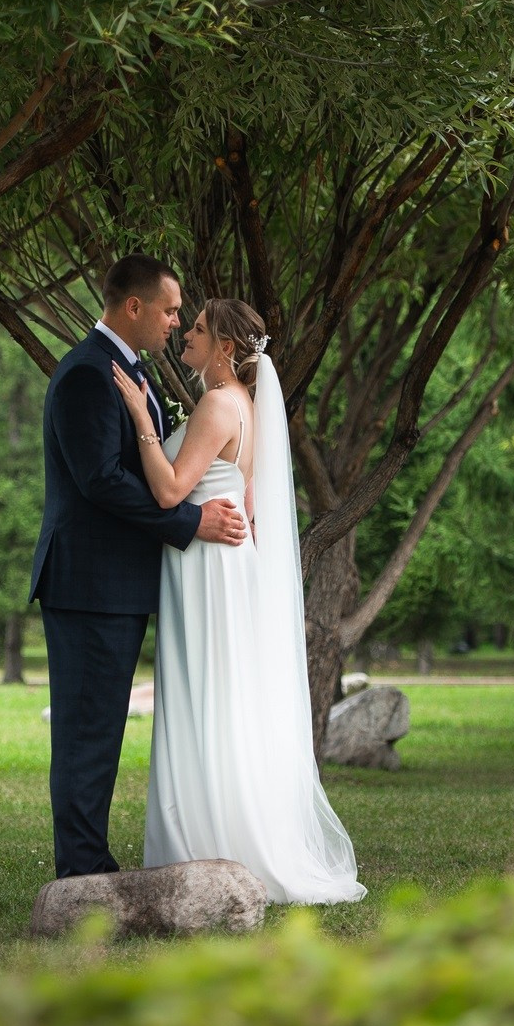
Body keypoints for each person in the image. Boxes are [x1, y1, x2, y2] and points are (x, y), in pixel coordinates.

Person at [112, 297, 365, 905]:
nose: (187, 336)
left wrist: (141, 419)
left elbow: (172, 489)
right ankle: (216, 838)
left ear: (227, 348)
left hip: (204, 570)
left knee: (205, 698)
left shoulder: (218, 403)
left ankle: (202, 844)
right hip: (223, 566)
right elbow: (247, 508)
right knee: (219, 700)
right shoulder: (246, 407)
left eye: (198, 330)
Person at [30, 255, 248, 879]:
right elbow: (100, 481)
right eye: (172, 310)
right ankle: (81, 870)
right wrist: (190, 524)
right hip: (88, 582)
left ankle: (88, 860)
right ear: (134, 307)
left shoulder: (130, 371)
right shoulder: (87, 375)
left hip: (116, 584)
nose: (178, 323)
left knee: (100, 729)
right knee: (86, 731)